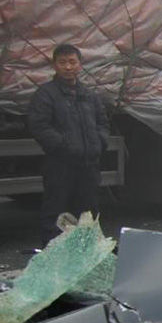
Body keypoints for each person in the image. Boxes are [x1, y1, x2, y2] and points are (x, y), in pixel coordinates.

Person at [27, 43, 110, 247]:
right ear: (55, 66)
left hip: (88, 165)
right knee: (55, 212)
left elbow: (103, 122)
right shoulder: (46, 94)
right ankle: (52, 255)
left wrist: (98, 143)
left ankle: (87, 255)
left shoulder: (88, 95)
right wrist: (64, 146)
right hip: (59, 165)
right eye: (62, 62)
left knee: (88, 214)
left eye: (72, 62)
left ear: (80, 65)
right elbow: (39, 126)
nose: (68, 67)